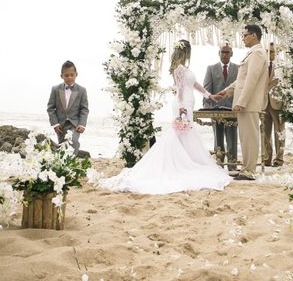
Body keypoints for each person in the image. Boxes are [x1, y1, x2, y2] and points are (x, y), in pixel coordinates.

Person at [99, 40, 231, 194]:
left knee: (186, 134)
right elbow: (180, 90)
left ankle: (186, 161)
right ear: (186, 52)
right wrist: (181, 108)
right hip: (182, 104)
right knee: (181, 133)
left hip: (188, 104)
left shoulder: (185, 69)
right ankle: (181, 164)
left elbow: (195, 84)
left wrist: (210, 96)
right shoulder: (179, 69)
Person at [217, 25, 269, 181]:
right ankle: (247, 168)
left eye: (245, 35)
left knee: (250, 137)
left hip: (249, 104)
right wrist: (227, 91)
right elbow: (242, 80)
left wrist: (242, 102)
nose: (243, 38)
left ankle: (249, 170)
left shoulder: (258, 53)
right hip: (245, 103)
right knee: (245, 137)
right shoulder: (252, 54)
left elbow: (252, 80)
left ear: (253, 35)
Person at [202, 43, 239, 170]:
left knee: (232, 138)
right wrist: (206, 106)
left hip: (232, 110)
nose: (224, 54)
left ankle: (232, 165)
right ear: (219, 53)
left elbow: (239, 89)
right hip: (215, 110)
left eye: (227, 52)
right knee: (218, 139)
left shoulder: (238, 69)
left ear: (231, 54)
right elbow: (207, 89)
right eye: (222, 52)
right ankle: (219, 165)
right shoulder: (211, 69)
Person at [47, 60, 89, 155]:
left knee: (73, 141)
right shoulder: (55, 89)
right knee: (62, 146)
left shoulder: (82, 90)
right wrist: (55, 124)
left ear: (76, 74)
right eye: (66, 75)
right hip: (60, 125)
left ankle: (73, 160)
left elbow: (84, 109)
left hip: (75, 124)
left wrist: (82, 124)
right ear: (61, 76)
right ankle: (64, 166)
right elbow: (50, 108)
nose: (69, 77)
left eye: (72, 75)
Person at [262, 42, 285, 167]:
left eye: (272, 52)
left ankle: (279, 159)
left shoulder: (281, 67)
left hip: (278, 103)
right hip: (264, 103)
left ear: (276, 53)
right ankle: (267, 158)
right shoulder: (262, 66)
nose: (269, 54)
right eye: (267, 51)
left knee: (279, 131)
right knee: (265, 131)